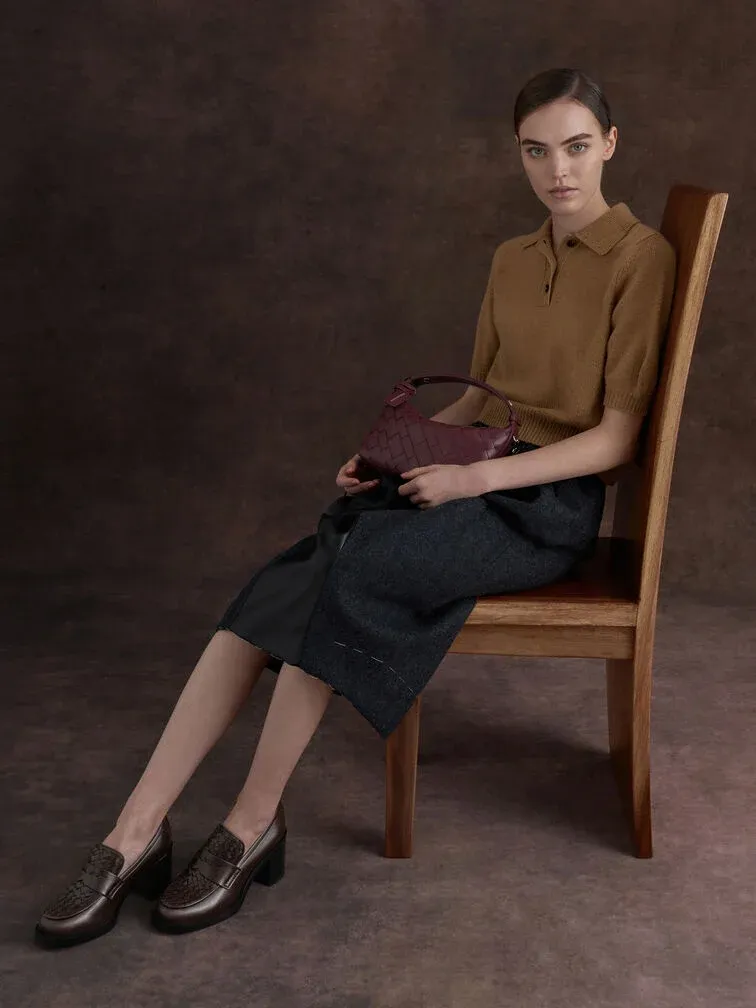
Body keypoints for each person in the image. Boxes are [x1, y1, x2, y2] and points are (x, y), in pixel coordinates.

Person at [34, 67, 677, 947]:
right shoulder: (512, 259)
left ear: (610, 145)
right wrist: (393, 450)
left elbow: (614, 442)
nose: (557, 170)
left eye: (575, 147)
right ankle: (133, 831)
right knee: (290, 577)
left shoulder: (643, 257)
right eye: (536, 151)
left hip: (544, 506)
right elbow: (482, 399)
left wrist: (469, 482)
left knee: (349, 567)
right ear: (518, 155)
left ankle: (250, 823)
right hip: (477, 471)